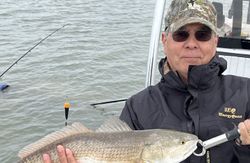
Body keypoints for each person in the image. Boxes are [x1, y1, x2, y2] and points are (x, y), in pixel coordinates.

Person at [43, 0, 250, 162]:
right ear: (164, 40)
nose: (191, 44)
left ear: (216, 40)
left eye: (202, 34)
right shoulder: (137, 106)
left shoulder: (246, 93)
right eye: (181, 34)